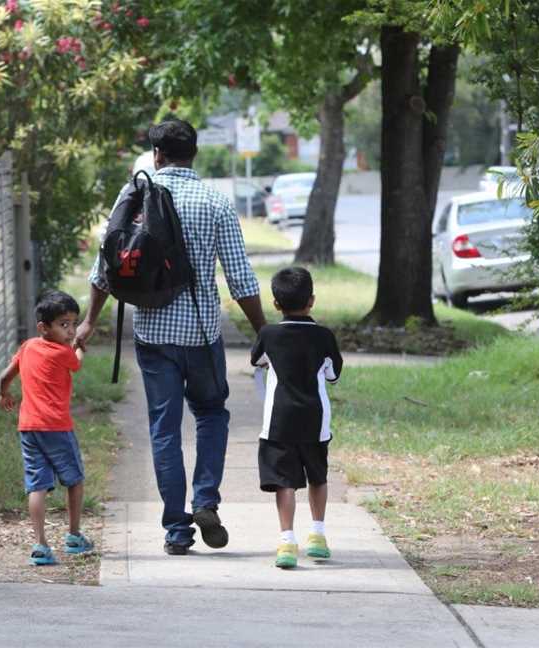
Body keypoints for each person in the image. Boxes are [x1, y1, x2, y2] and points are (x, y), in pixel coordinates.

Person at [76, 119, 266, 555]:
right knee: (212, 415)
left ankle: (177, 530)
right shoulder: (215, 202)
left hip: (153, 335)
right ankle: (205, 500)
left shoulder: (133, 198)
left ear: (156, 155)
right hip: (201, 337)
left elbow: (104, 269)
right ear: (193, 153)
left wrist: (88, 321)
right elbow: (240, 277)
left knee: (164, 429)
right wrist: (263, 332)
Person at [251, 267, 343, 569]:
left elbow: (258, 361)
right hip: (315, 422)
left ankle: (287, 541)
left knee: (283, 481)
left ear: (276, 304)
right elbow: (332, 375)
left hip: (279, 422)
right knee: (318, 476)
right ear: (312, 300)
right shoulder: (324, 337)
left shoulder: (269, 335)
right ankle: (317, 535)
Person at [0, 290, 94, 566]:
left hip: (28, 427)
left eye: (74, 324)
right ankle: (74, 535)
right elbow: (76, 363)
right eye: (64, 324)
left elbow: (6, 376)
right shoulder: (63, 351)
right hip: (56, 427)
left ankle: (40, 545)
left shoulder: (27, 346)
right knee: (74, 479)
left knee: (37, 485)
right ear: (44, 327)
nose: (71, 330)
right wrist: (77, 346)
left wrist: (4, 394)